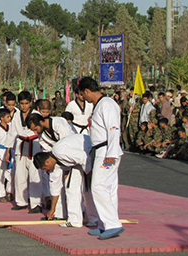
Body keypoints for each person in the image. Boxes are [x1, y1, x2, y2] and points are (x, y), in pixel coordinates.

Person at [76, 77, 124, 240]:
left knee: (97, 186)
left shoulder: (107, 104)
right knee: (108, 188)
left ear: (87, 91)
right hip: (102, 149)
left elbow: (114, 129)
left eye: (83, 95)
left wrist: (111, 152)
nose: (84, 98)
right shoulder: (100, 105)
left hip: (106, 150)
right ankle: (104, 224)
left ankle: (112, 224)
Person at [33, 134, 98, 228]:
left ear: (47, 162)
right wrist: (52, 209)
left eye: (44, 168)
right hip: (79, 163)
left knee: (88, 190)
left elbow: (83, 156)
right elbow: (55, 188)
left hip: (90, 153)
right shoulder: (54, 167)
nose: (46, 170)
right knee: (71, 188)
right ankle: (74, 220)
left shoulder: (59, 151)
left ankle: (94, 219)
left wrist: (89, 176)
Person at [7, 91, 42, 213]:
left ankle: (36, 203)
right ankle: (21, 201)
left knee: (35, 176)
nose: (24, 106)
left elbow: (39, 131)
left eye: (26, 103)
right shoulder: (16, 115)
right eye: (21, 104)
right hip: (20, 147)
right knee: (19, 176)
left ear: (31, 103)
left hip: (34, 146)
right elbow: (12, 133)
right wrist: (8, 150)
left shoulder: (36, 114)